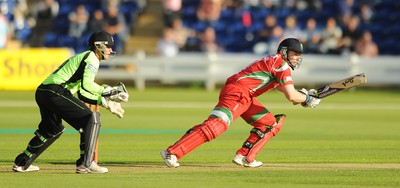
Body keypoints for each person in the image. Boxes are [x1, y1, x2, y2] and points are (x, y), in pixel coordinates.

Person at [161, 38, 321, 168]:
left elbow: (286, 90)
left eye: (299, 54)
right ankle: (173, 152)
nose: (298, 57)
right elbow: (291, 96)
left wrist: (304, 96)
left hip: (245, 96)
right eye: (295, 53)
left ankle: (244, 156)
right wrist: (306, 99)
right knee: (217, 125)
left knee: (269, 124)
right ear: (285, 51)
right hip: (238, 92)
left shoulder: (276, 62)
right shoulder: (281, 64)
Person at [12, 31, 129, 173]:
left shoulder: (86, 58)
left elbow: (82, 93)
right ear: (99, 46)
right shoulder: (92, 58)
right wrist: (109, 92)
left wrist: (105, 102)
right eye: (109, 46)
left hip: (44, 92)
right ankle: (86, 163)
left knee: (52, 129)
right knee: (91, 118)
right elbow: (88, 85)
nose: (111, 49)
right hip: (55, 90)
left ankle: (22, 163)